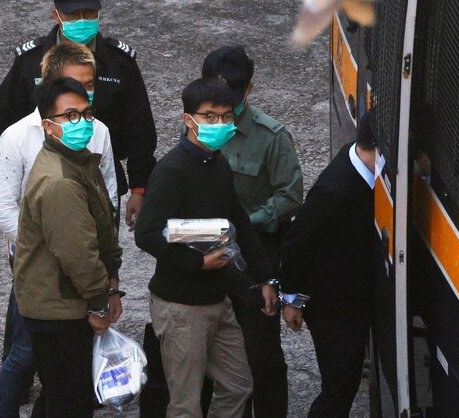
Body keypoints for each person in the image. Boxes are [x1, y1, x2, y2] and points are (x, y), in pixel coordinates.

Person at [135, 77, 279, 418]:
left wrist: (266, 278)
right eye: (210, 117)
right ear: (188, 119)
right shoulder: (172, 171)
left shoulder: (217, 163)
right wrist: (197, 264)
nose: (219, 124)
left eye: (227, 117)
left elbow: (239, 222)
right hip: (182, 307)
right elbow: (147, 234)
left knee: (238, 385)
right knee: (185, 405)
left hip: (218, 300)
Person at [0, 43, 116, 418]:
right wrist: (39, 244)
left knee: (64, 384)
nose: (82, 121)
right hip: (46, 278)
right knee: (29, 357)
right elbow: (6, 208)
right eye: (71, 114)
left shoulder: (92, 138)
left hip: (75, 281)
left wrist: (106, 276)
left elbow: (105, 200)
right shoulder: (21, 140)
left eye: (87, 107)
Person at [0, 0, 155, 230]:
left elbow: (140, 127)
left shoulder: (119, 62)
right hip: (37, 188)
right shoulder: (30, 61)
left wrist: (139, 188)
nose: (82, 20)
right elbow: (0, 124)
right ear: (56, 15)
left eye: (89, 12)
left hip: (98, 182)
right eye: (74, 15)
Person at [201, 45, 303, 418]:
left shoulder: (271, 136)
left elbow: (290, 196)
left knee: (260, 352)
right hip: (207, 249)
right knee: (213, 347)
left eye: (231, 98)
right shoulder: (199, 127)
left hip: (255, 253)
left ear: (250, 89)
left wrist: (247, 222)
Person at [279, 110, 384, 417]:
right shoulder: (335, 192)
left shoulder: (356, 162)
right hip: (332, 307)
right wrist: (293, 301)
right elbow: (296, 244)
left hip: (351, 296)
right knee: (338, 388)